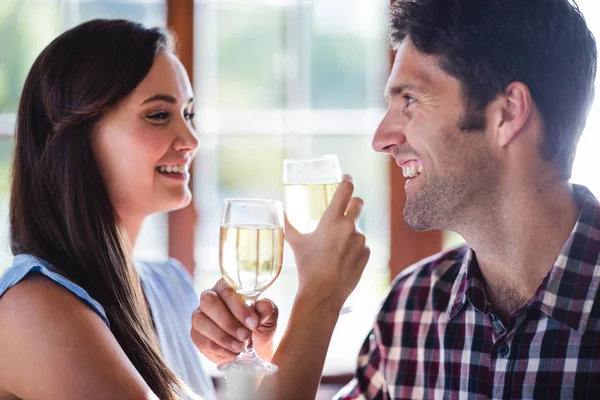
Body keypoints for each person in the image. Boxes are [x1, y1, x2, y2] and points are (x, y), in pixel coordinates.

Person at [192, 0, 600, 398]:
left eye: (410, 100)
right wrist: (265, 352)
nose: (381, 139)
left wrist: (320, 297)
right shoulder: (410, 308)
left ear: (508, 113)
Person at [0, 19, 215, 399]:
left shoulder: (172, 286)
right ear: (77, 138)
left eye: (189, 114)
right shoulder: (32, 309)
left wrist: (259, 355)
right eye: (159, 115)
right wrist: (316, 302)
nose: (190, 140)